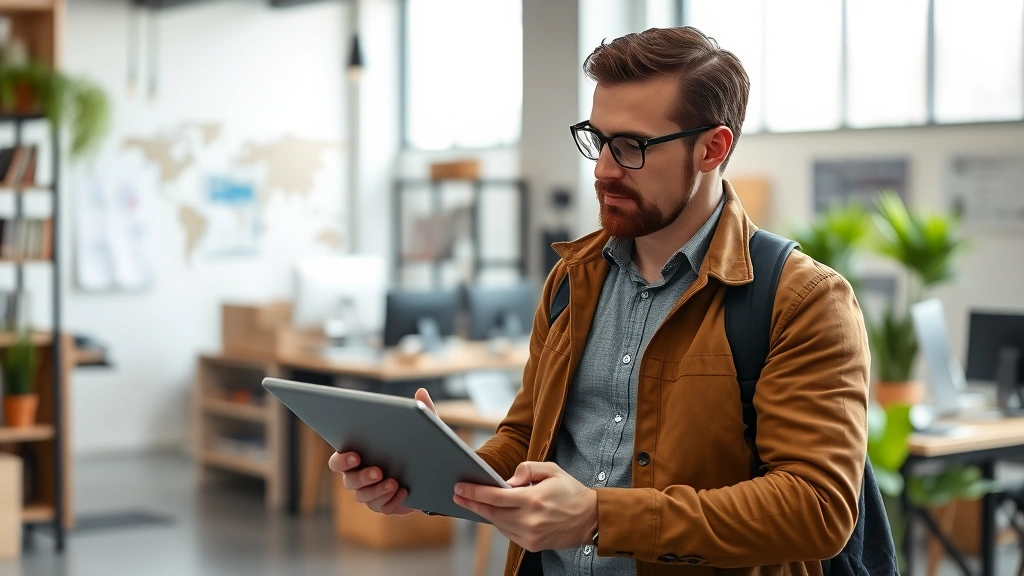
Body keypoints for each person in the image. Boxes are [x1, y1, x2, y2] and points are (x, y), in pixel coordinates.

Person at [329, 26, 869, 576]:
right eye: (598, 138)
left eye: (631, 146)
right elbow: (526, 437)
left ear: (713, 148)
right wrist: (424, 471)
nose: (604, 169)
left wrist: (598, 515)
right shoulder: (572, 278)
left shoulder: (802, 300)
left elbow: (816, 508)